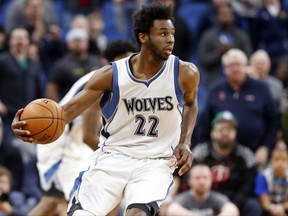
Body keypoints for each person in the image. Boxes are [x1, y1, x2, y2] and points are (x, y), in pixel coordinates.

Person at [11, 2, 199, 216]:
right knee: (63, 206)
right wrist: (27, 125)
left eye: (172, 33)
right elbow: (63, 114)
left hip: (155, 161)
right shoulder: (110, 76)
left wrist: (185, 141)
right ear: (143, 37)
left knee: (136, 214)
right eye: (163, 33)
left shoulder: (185, 72)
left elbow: (191, 103)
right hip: (111, 156)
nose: (171, 39)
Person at [28, 40, 138, 216]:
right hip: (62, 142)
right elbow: (88, 136)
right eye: (122, 61)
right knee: (89, 201)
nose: (128, 66)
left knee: (52, 202)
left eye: (131, 61)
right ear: (108, 63)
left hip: (80, 142)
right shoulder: (103, 81)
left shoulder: (128, 85)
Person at [195, 48, 279, 168]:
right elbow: (204, 124)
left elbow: (273, 121)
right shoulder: (215, 90)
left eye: (238, 64)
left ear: (246, 66)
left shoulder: (261, 88)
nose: (235, 69)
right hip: (219, 157)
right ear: (224, 69)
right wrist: (202, 151)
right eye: (230, 65)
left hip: (256, 155)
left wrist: (266, 147)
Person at [193, 110, 263, 216]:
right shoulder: (199, 153)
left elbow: (248, 185)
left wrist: (233, 205)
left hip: (236, 200)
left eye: (229, 129)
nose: (225, 133)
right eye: (221, 129)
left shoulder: (246, 155)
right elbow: (191, 180)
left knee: (254, 206)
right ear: (212, 133)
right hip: (205, 199)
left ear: (235, 133)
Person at [166, 164, 239, 216]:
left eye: (205, 177)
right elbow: (171, 210)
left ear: (211, 180)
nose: (202, 182)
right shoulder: (183, 197)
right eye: (197, 178)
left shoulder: (217, 197)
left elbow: (232, 210)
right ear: (189, 181)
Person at [254, 147, 288, 216]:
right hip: (269, 210)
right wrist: (276, 209)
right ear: (271, 161)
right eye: (276, 159)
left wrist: (282, 207)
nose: (280, 163)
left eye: (283, 160)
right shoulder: (263, 176)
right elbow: (265, 203)